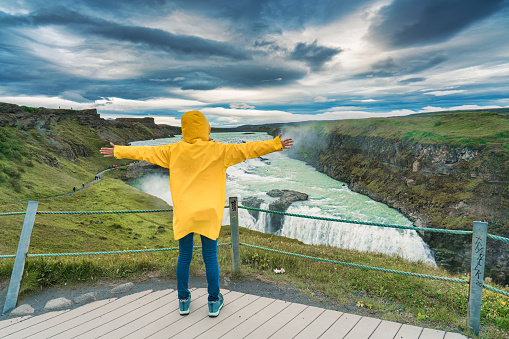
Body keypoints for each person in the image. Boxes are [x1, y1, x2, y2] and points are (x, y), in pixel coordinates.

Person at [100, 110, 293, 317]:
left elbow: (146, 152)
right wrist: (275, 144)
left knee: (184, 257)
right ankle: (213, 301)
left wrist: (119, 151)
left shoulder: (173, 150)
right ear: (205, 128)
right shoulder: (219, 150)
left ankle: (183, 300)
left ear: (185, 129)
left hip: (185, 212)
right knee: (210, 257)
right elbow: (247, 150)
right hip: (209, 212)